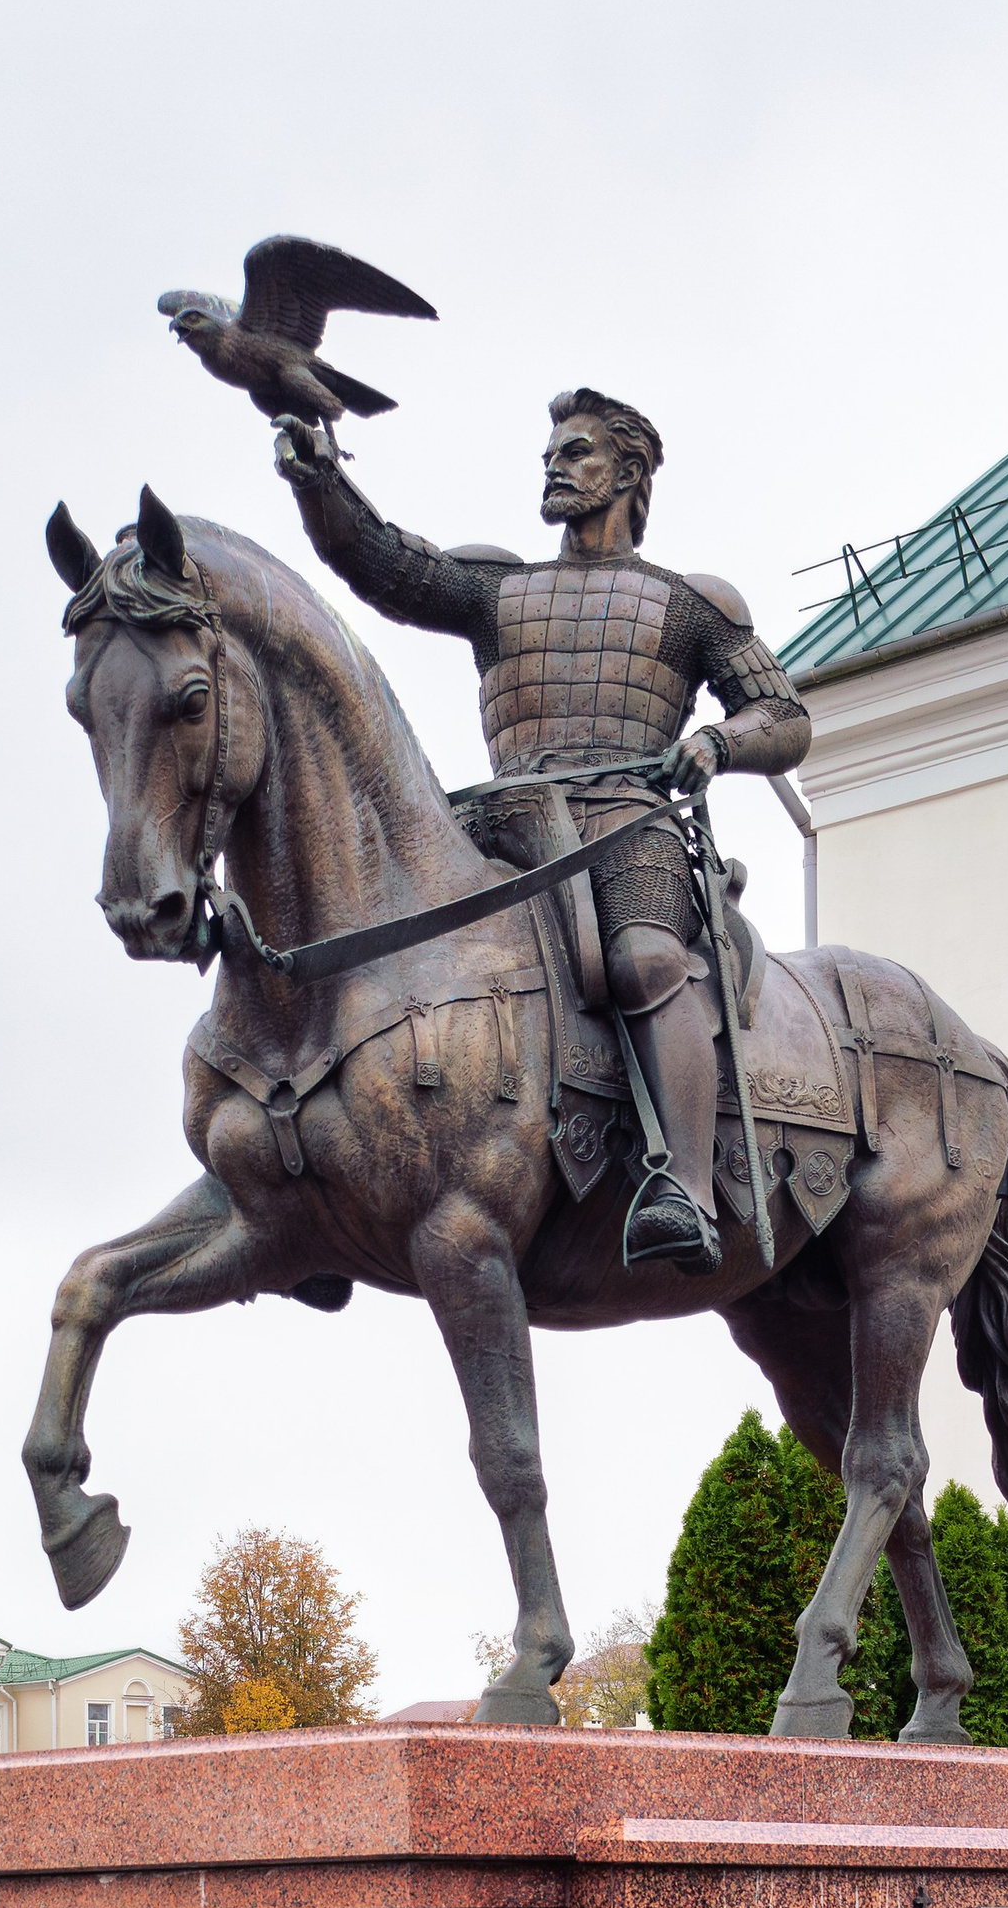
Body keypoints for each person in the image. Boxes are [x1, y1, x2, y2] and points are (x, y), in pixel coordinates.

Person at [275, 389, 810, 1271]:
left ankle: (684, 1185)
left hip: (627, 825)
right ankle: (313, 1174)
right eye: (551, 454)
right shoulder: (500, 588)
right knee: (379, 939)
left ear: (628, 472)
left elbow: (784, 717)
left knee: (645, 959)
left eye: (577, 452)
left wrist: (717, 742)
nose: (555, 466)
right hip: (504, 825)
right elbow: (385, 565)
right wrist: (317, 478)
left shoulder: (689, 603)